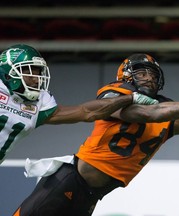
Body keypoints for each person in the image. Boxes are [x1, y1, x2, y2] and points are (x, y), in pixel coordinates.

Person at [13, 53, 179, 216]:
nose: (149, 78)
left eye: (152, 74)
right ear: (126, 76)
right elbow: (142, 114)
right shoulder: (115, 94)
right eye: (141, 73)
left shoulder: (166, 109)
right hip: (68, 182)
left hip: (93, 195)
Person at [0, 45, 158, 164]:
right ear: (9, 73)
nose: (36, 79)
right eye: (29, 72)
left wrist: (130, 98)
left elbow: (86, 112)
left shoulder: (40, 102)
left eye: (38, 72)